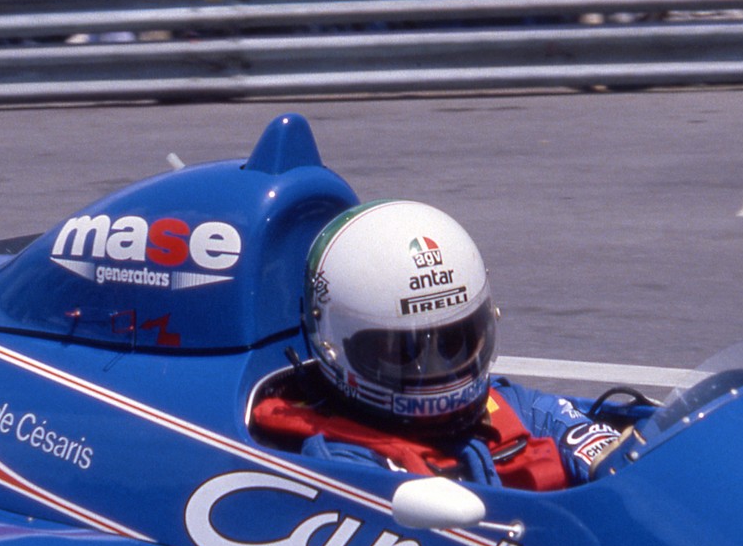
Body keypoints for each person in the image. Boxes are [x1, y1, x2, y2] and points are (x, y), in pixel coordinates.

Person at [250, 200, 624, 491]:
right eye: (403, 352)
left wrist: (620, 460)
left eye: (455, 341)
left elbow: (608, 453)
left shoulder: (509, 408)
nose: (436, 368)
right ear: (333, 346)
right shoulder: (344, 463)